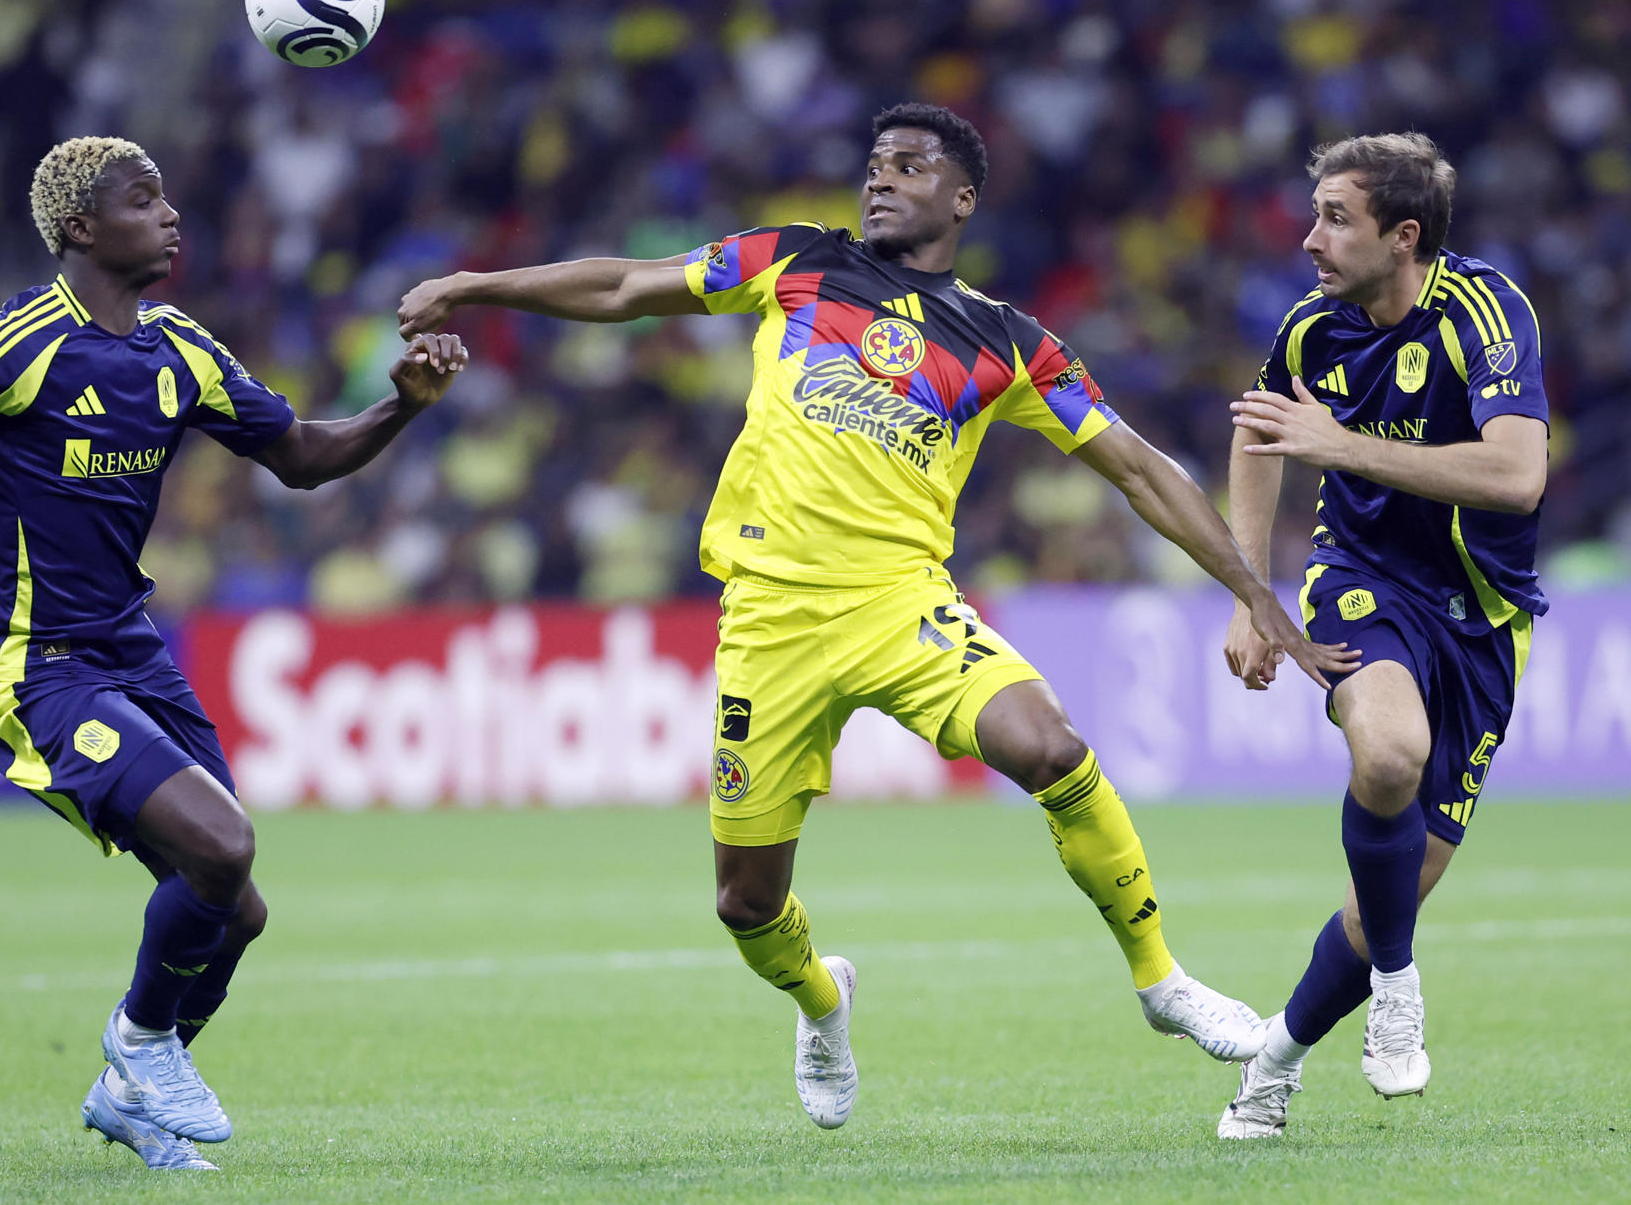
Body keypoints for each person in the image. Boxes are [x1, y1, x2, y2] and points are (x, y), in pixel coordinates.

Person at [400, 102, 1355, 1129]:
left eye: (909, 165)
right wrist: (476, 283)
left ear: (963, 197)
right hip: (769, 617)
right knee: (746, 904)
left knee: (1052, 745)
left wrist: (1254, 589)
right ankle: (823, 997)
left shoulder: (1006, 341)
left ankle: (1162, 981)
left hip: (902, 604)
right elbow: (629, 285)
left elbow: (1135, 466)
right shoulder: (795, 262)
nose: (882, 178)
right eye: (874, 163)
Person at [0, 137, 467, 1170]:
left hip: (130, 651)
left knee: (236, 908)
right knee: (223, 847)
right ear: (82, 226)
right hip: (30, 663)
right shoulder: (13, 344)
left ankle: (130, 1092)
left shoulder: (181, 350)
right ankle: (139, 1044)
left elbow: (298, 455)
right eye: (143, 198)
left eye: (168, 196)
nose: (171, 215)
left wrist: (402, 408)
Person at [1217, 132, 1548, 1138]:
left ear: (1404, 236)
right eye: (1315, 213)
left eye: (1335, 218)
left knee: (1390, 893)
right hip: (1363, 579)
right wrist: (1249, 594)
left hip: (1485, 615)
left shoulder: (1487, 312)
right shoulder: (1313, 330)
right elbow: (1257, 432)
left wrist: (1340, 443)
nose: (1310, 237)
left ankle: (1273, 1060)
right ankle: (1400, 984)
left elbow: (1515, 476)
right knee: (1390, 750)